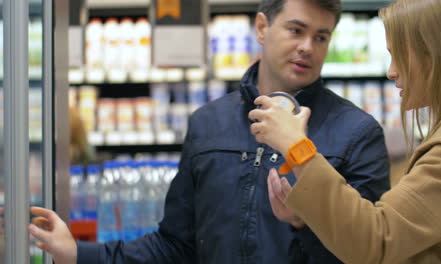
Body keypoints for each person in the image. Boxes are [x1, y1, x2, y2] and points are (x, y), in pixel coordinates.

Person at [29, 0, 391, 263]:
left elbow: (370, 254)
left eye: (321, 37)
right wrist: (79, 253)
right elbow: (176, 246)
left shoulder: (357, 133)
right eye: (296, 30)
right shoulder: (208, 124)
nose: (307, 47)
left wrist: (304, 222)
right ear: (262, 28)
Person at [250, 0, 441, 263]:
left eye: (399, 54)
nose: (391, 71)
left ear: (434, 54)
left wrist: (297, 148)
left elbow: (377, 240)